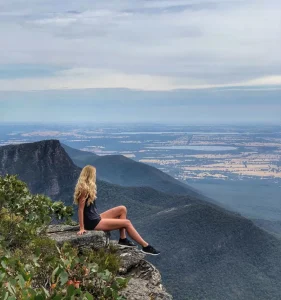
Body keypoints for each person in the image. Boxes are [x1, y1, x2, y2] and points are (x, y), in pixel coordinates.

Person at [73, 165, 160, 256]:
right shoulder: (84, 189)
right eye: (94, 174)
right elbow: (80, 209)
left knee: (122, 209)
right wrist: (82, 227)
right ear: (90, 175)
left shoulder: (88, 187)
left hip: (95, 217)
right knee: (127, 223)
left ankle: (123, 239)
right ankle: (145, 246)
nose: (95, 176)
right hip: (92, 222)